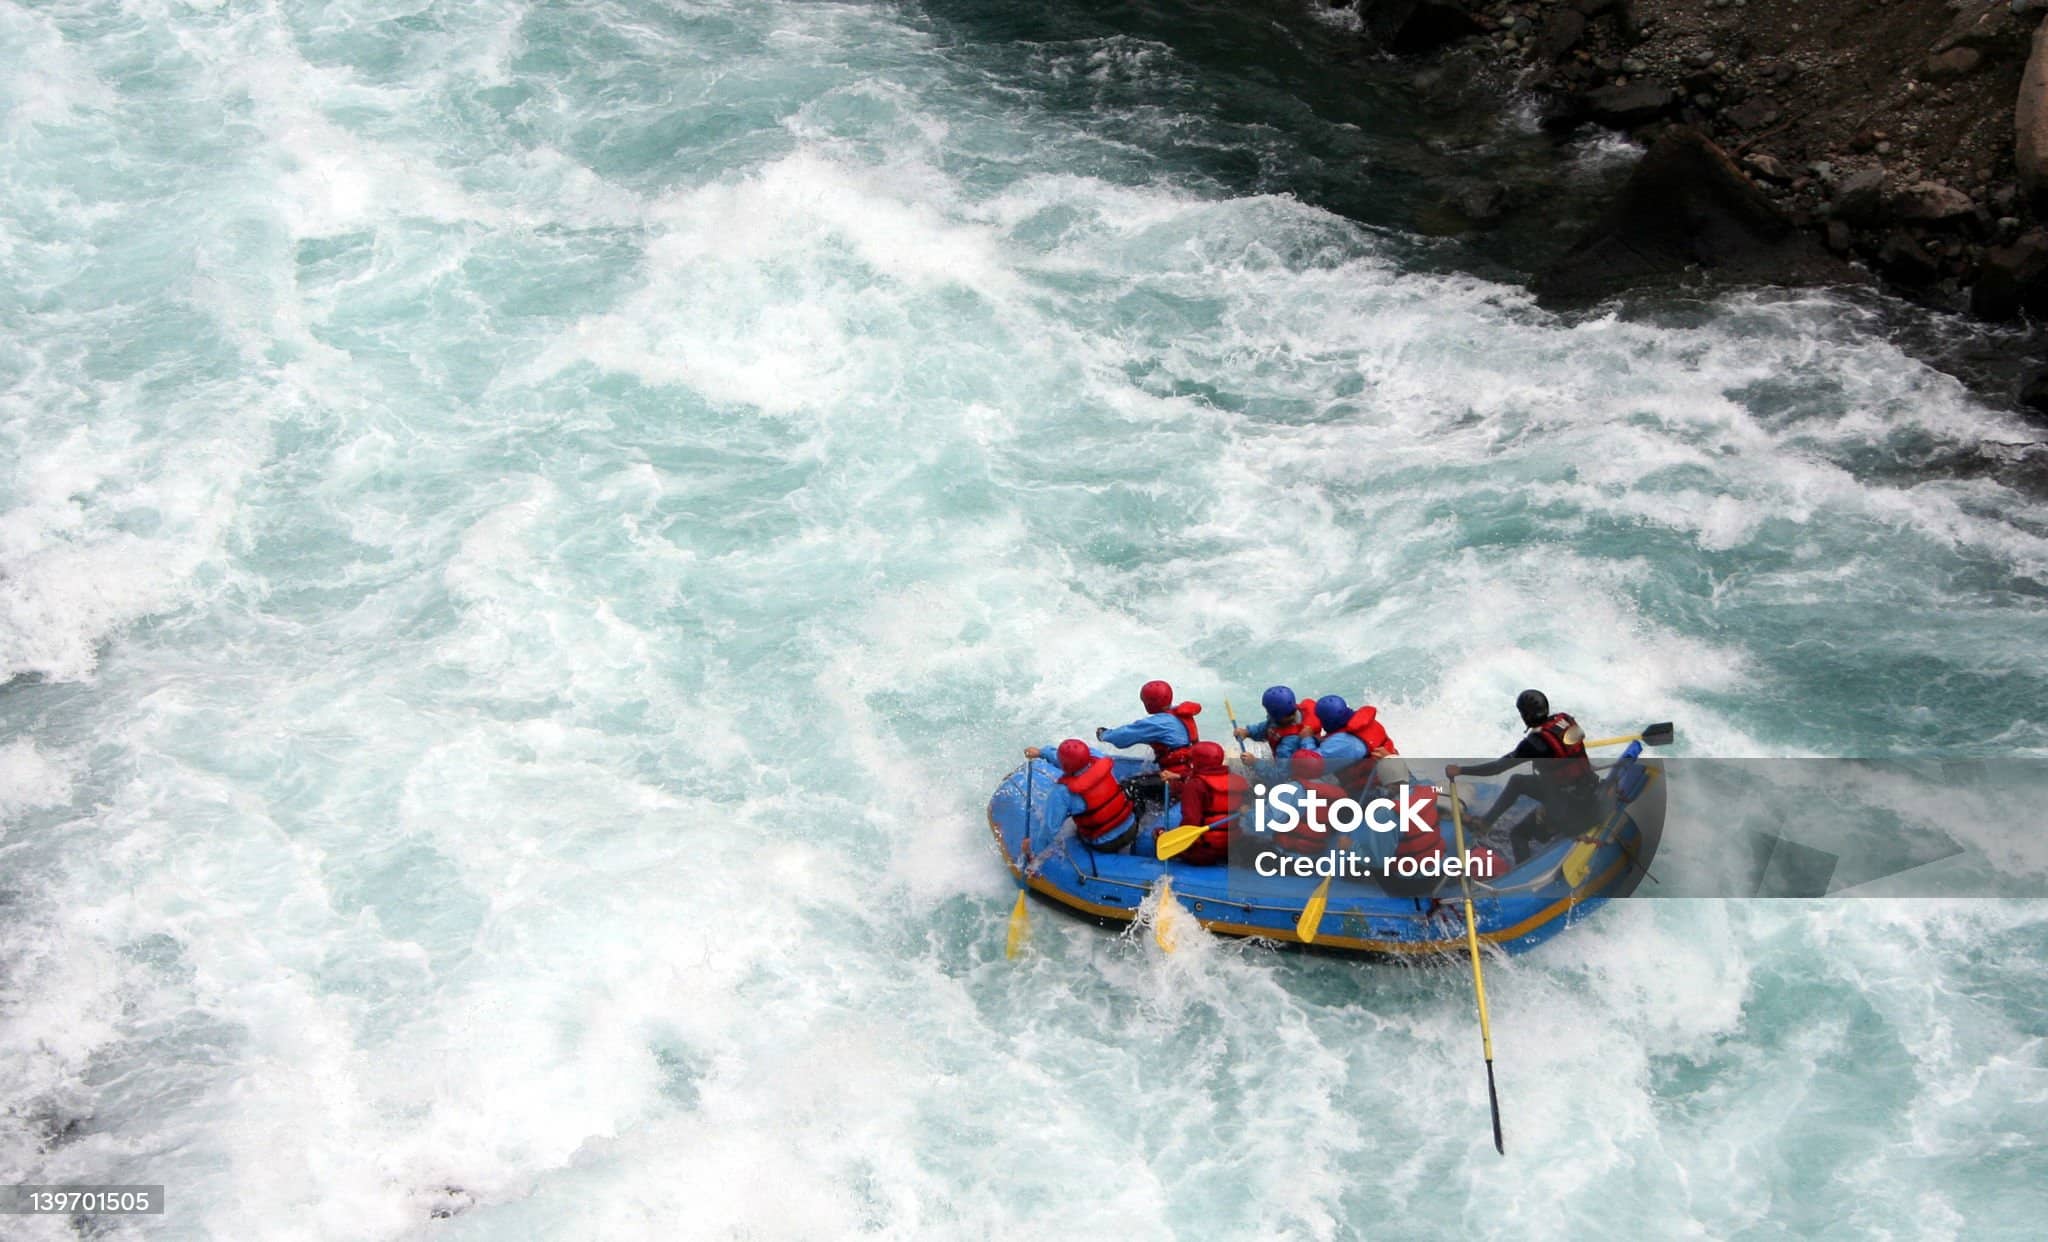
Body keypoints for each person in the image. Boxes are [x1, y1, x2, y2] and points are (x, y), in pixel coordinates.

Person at [1444, 689, 1599, 862]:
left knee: (1518, 834)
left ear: (1526, 716)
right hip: (1589, 788)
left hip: (1569, 805)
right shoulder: (1565, 719)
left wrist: (1460, 771)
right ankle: (1486, 823)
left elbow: (1497, 768)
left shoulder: (1534, 743)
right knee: (1518, 781)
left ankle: (1523, 869)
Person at [1023, 739, 1139, 852]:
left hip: (1105, 844)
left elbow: (1050, 829)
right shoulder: (1099, 757)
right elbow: (1076, 761)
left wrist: (1033, 847)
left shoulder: (1062, 792)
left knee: (1071, 824)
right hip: (1131, 827)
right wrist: (1043, 753)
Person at [1098, 679, 1203, 778]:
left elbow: (1122, 737)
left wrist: (1104, 735)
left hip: (1176, 777)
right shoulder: (1178, 714)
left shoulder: (1157, 724)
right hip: (1193, 769)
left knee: (1129, 785)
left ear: (1149, 704)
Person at [1172, 741, 1249, 866]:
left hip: (1206, 850)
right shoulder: (1236, 780)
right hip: (1233, 845)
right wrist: (1178, 776)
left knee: (1158, 833)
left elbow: (1190, 822)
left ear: (1197, 761)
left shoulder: (1194, 786)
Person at [1312, 694, 1400, 793]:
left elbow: (1309, 764)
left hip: (1372, 791)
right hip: (1391, 777)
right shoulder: (1364, 723)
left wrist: (1306, 740)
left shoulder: (1344, 742)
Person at [1235, 685, 1321, 769]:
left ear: (1274, 714)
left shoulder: (1288, 744)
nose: (1267, 713)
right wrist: (1247, 732)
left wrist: (1255, 763)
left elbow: (1280, 775)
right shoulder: (1289, 715)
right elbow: (1267, 727)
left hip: (1294, 774)